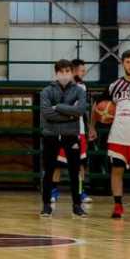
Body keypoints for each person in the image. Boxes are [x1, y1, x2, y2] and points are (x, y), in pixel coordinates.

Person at [93, 50, 130, 219]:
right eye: (128, 62)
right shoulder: (114, 86)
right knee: (116, 172)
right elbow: (97, 106)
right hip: (118, 136)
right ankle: (118, 205)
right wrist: (92, 127)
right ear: (123, 64)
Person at [38, 60, 88, 218]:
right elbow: (46, 113)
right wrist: (70, 114)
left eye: (67, 71)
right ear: (56, 73)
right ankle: (46, 205)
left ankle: (77, 205)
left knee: (74, 171)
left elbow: (80, 110)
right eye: (61, 71)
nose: (64, 74)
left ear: (72, 72)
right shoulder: (46, 91)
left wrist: (58, 107)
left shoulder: (79, 90)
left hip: (71, 135)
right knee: (49, 171)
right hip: (51, 135)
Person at [51, 59, 93, 204]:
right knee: (57, 163)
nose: (84, 72)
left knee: (80, 164)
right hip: (61, 130)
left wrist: (90, 127)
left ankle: (80, 192)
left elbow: (82, 111)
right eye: (82, 70)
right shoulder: (57, 87)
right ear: (73, 71)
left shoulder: (82, 87)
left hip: (79, 130)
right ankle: (53, 191)